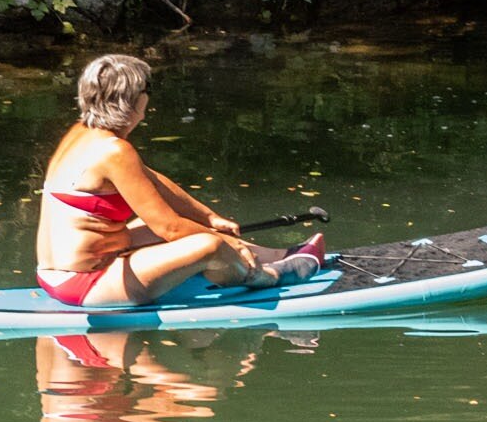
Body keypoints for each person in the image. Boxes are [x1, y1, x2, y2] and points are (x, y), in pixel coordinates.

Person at [35, 53, 325, 308]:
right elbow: (170, 228)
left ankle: (278, 254)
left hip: (57, 272)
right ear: (134, 99)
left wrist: (209, 218)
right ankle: (269, 276)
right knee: (208, 246)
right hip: (87, 283)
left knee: (185, 231)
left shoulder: (81, 134)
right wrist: (222, 240)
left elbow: (153, 180)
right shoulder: (115, 151)